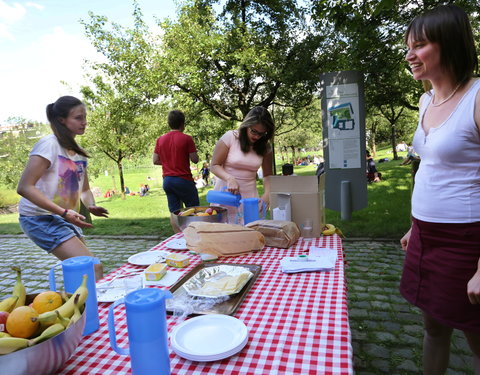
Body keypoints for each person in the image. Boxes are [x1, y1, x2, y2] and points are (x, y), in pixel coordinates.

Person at [400, 5, 480, 374]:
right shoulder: (425, 100)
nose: (409, 55)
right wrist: (416, 226)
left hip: (467, 240)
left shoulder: (477, 97)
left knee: (475, 333)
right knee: (433, 326)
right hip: (425, 233)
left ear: (448, 43)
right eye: (408, 47)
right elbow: (431, 169)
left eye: (419, 45)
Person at [16, 96, 108, 281]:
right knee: (93, 268)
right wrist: (64, 212)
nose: (84, 122)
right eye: (78, 118)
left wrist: (91, 205)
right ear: (61, 120)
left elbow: (84, 190)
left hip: (61, 217)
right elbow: (24, 187)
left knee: (79, 273)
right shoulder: (49, 144)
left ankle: (78, 309)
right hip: (39, 218)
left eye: (84, 117)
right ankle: (95, 310)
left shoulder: (79, 153)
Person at [210, 106, 274, 224]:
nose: (256, 136)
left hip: (250, 200)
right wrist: (229, 178)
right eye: (253, 131)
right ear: (246, 125)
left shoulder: (265, 147)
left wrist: (267, 194)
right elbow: (214, 165)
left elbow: (268, 175)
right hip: (226, 196)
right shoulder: (230, 137)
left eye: (261, 133)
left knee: (249, 232)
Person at [153, 110, 199, 231]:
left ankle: (177, 238)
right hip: (184, 179)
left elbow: (155, 160)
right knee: (193, 209)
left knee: (174, 212)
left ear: (169, 123)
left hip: (168, 181)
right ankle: (193, 236)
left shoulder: (160, 140)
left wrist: (169, 162)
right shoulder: (187, 139)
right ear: (183, 124)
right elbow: (195, 160)